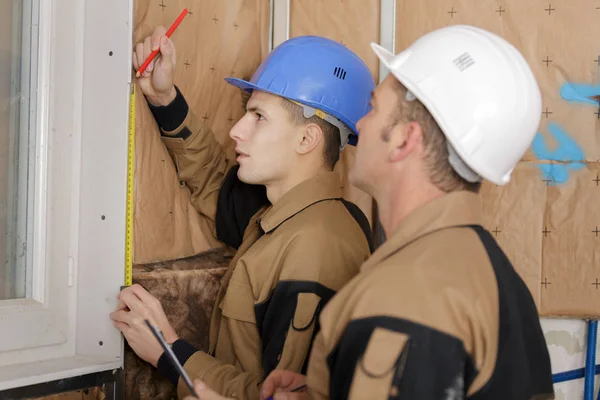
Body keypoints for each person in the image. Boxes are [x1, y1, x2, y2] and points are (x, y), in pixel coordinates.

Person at [260, 25, 556, 399]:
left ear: (404, 139)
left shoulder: (404, 297)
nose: (360, 123)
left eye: (373, 109)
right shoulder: (489, 272)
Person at [110, 27, 376, 399]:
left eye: (258, 116)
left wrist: (168, 351)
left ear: (307, 139)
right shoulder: (282, 218)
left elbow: (280, 395)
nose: (236, 130)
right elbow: (214, 184)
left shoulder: (316, 249)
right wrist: (163, 96)